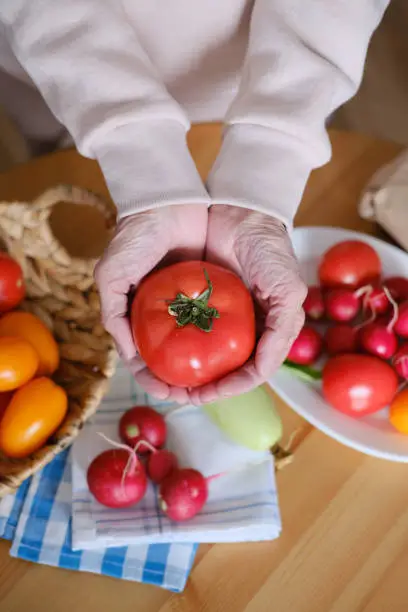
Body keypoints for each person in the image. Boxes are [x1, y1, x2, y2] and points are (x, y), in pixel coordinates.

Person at [0, 1, 389, 404]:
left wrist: (270, 154)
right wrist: (135, 151)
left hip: (256, 58)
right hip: (60, 62)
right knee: (58, 148)